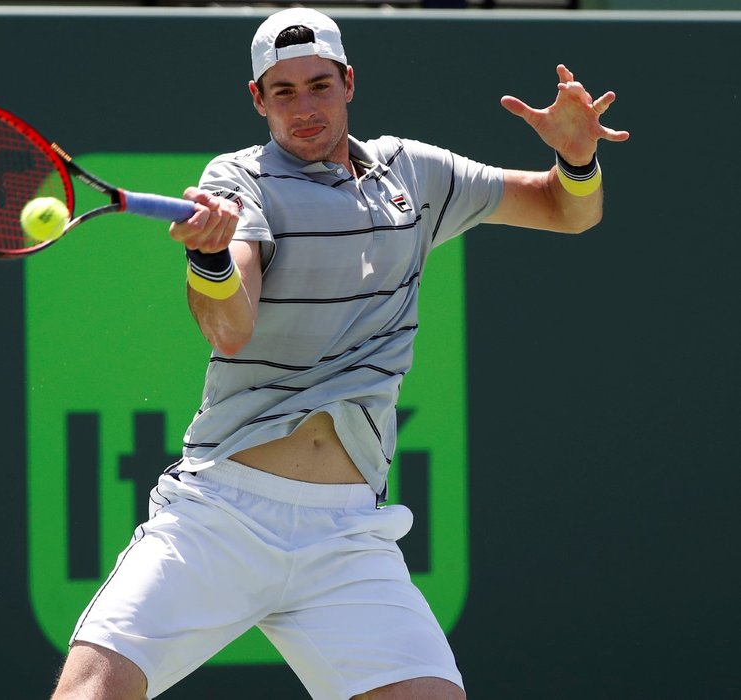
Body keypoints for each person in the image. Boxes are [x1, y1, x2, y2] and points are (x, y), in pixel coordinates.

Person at [52, 8, 628, 700]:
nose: (304, 107)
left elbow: (566, 209)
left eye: (319, 85)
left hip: (347, 536)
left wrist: (576, 160)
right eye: (284, 91)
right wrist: (211, 258)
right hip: (222, 517)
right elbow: (229, 327)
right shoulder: (240, 180)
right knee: (92, 692)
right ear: (257, 99)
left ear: (349, 82)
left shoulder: (416, 175)